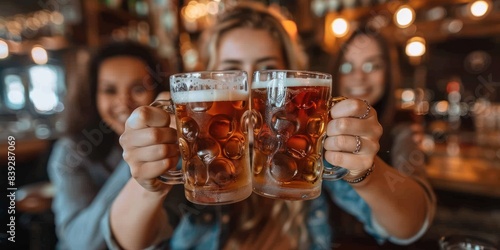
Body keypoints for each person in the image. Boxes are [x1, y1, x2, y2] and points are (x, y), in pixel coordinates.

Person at [108, 3, 435, 249]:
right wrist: (147, 182)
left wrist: (367, 171)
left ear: (288, 79)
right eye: (233, 69)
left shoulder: (306, 143)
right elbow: (128, 241)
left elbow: (410, 225)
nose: (249, 83)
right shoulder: (193, 147)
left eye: (265, 69)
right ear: (207, 79)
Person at [47, 41, 167, 249]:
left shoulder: (174, 148)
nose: (124, 102)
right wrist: (135, 160)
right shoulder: (70, 152)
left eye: (138, 88)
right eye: (110, 90)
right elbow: (80, 242)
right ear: (92, 97)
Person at [325, 26, 436, 244]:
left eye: (372, 65)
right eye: (347, 67)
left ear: (390, 73)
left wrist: (367, 175)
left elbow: (413, 221)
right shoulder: (315, 124)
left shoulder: (403, 131)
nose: (359, 77)